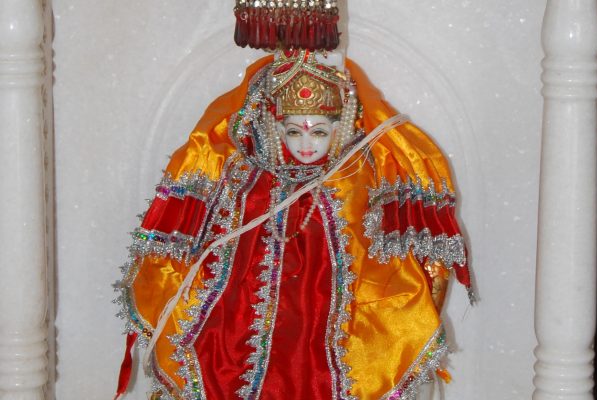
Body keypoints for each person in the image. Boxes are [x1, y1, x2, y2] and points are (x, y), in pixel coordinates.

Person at [114, 4, 472, 400]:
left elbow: (394, 264)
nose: (305, 146)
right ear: (276, 128)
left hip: (343, 323)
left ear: (338, 129)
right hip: (241, 323)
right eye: (294, 132)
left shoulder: (355, 177)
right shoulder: (249, 181)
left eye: (318, 133)